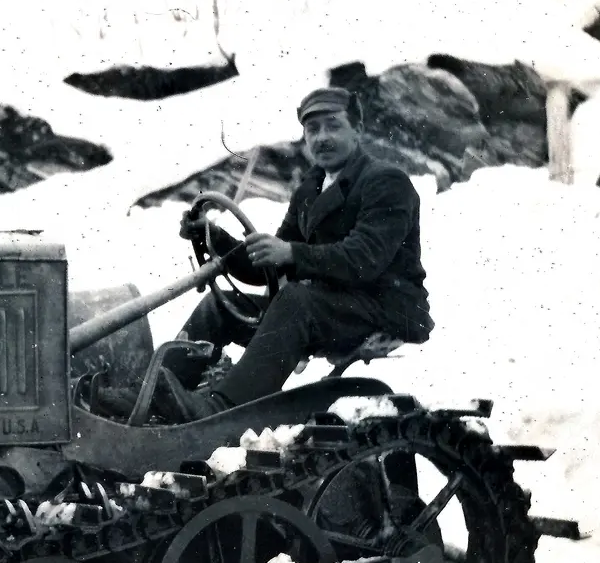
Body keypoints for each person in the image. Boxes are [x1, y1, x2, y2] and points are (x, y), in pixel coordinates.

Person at [161, 85, 434, 421]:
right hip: (329, 309)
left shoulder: (386, 181)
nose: (322, 138)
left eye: (333, 126)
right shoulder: (309, 189)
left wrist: (291, 252)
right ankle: (157, 394)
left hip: (382, 308)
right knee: (218, 308)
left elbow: (364, 260)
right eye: (313, 129)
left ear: (358, 130)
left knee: (295, 299)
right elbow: (269, 267)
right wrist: (214, 236)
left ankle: (223, 410)